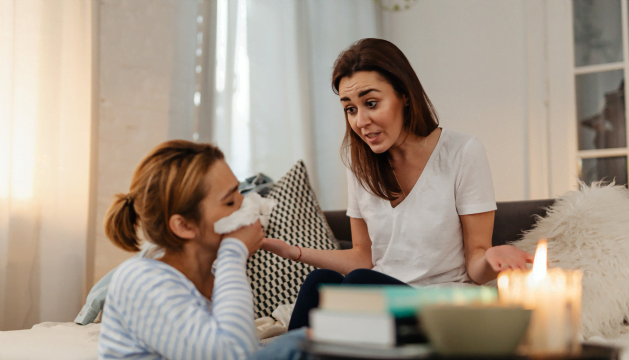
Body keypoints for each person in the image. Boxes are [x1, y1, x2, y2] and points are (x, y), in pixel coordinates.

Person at [260, 38, 534, 330]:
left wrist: (491, 257)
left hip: (442, 307)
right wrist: (294, 252)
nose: (360, 121)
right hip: (377, 294)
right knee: (319, 282)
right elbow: (362, 257)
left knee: (358, 284)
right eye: (350, 109)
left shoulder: (462, 152)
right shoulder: (359, 164)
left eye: (371, 103)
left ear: (404, 95)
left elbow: (476, 267)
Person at [97, 140, 305, 360]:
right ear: (184, 226)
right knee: (299, 346)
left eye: (239, 192)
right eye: (229, 201)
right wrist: (233, 253)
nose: (244, 203)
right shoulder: (140, 280)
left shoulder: (212, 280)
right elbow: (230, 354)